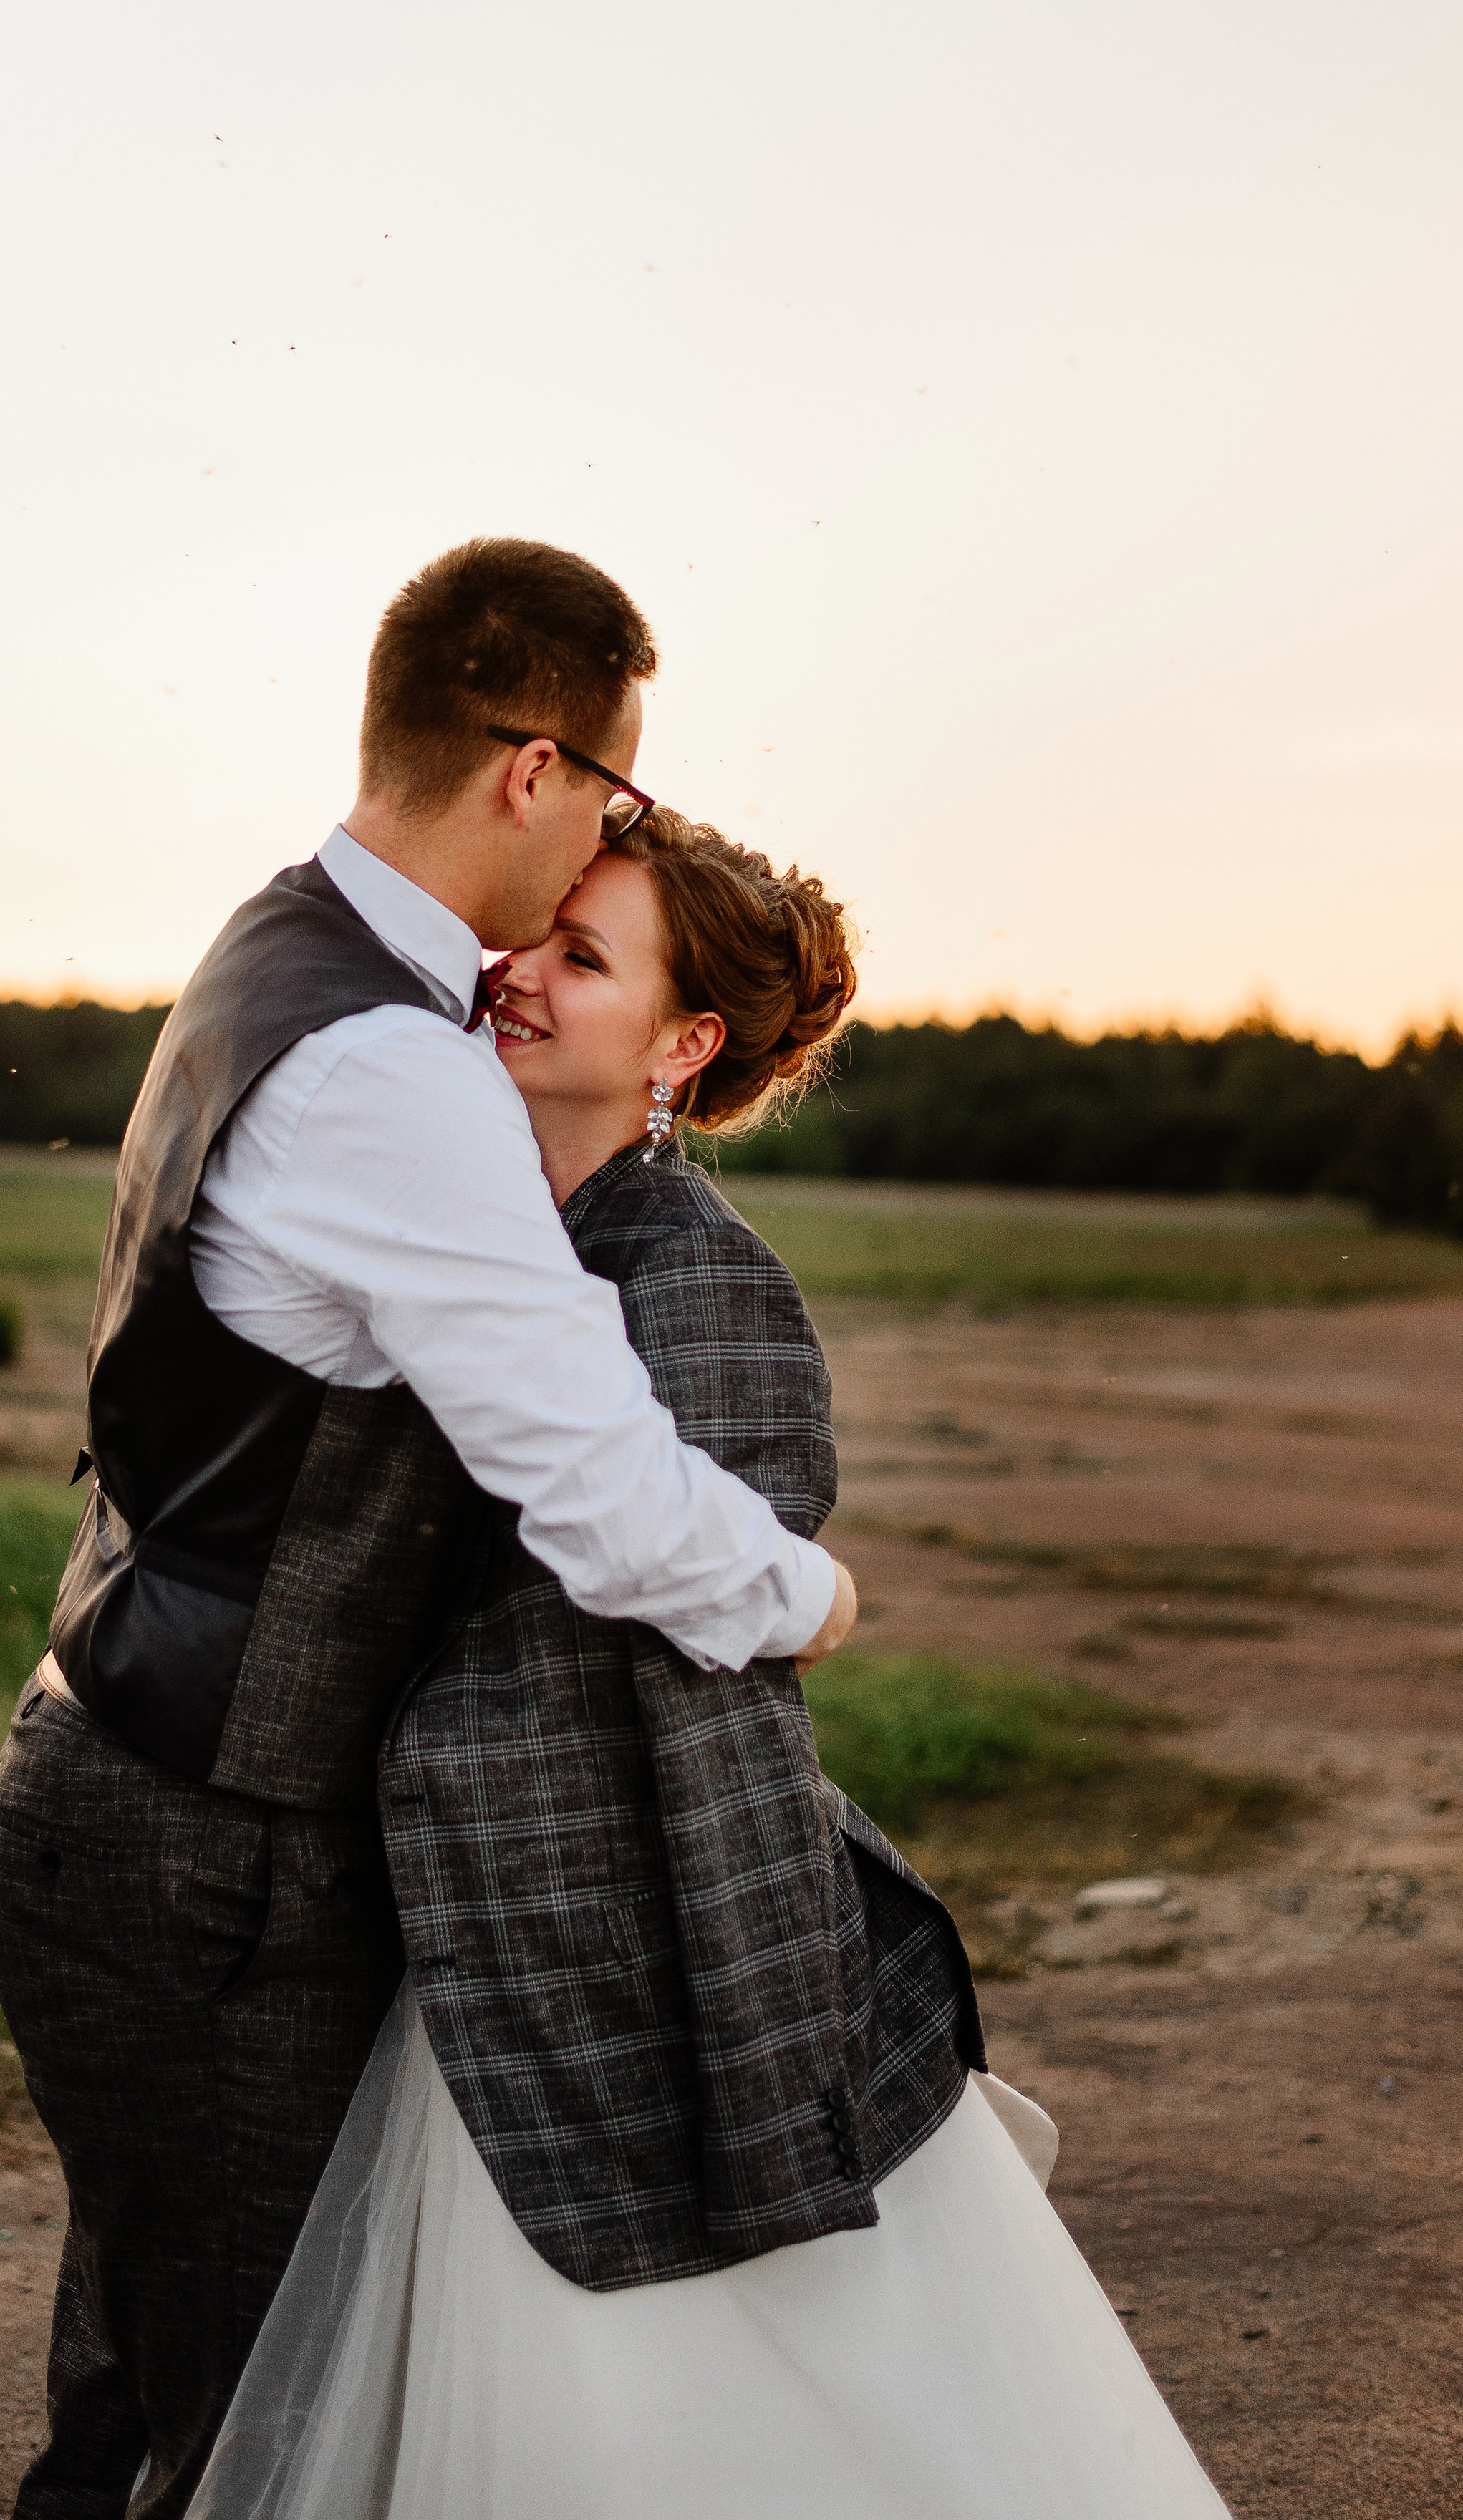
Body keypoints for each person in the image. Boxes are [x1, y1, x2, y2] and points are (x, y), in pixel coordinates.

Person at [187, 813, 1235, 2520]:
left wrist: (745, 2021)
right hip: (465, 1916)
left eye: (582, 959)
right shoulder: (482, 1224)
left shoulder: (700, 1280)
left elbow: (706, 1697)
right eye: (533, 933)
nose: (515, 972)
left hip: (606, 1939)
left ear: (682, 1049)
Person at [0, 539, 859, 2520]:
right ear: (536, 772)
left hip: (142, 1791)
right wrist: (808, 1591)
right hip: (202, 1852)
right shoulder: (390, 1065)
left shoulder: (289, 951)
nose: (601, 851)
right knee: (252, 2443)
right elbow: (610, 1496)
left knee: (148, 2401)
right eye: (615, 801)